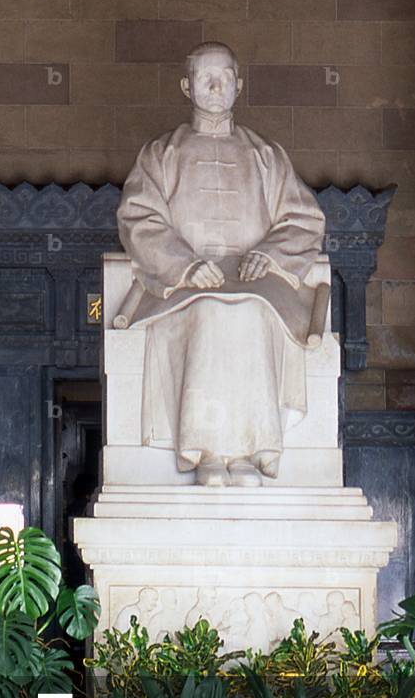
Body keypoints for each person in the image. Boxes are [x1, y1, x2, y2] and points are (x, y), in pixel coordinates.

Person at [117, 42, 325, 487]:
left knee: (251, 312)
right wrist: (185, 266)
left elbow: (305, 219)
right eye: (205, 77)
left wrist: (268, 255)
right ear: (186, 86)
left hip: (259, 282)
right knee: (212, 312)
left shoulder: (266, 156)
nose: (215, 85)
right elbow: (139, 217)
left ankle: (251, 449)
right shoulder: (161, 154)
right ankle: (209, 451)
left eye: (225, 76)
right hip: (184, 286)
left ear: (239, 85)